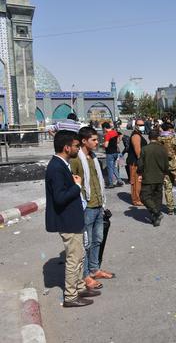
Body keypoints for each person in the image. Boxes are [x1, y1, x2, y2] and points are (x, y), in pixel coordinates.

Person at [45, 130, 100, 307]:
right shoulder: (55, 167)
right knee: (73, 259)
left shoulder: (63, 164)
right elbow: (60, 197)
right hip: (67, 220)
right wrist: (76, 186)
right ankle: (70, 297)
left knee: (80, 256)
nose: (78, 148)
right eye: (76, 146)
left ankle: (79, 286)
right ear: (66, 147)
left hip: (74, 219)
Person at [70, 126, 115, 291]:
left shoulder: (94, 157)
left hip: (98, 204)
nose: (98, 142)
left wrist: (103, 202)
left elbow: (98, 180)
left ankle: (95, 269)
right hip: (86, 206)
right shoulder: (76, 159)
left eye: (97, 139)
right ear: (84, 141)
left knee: (97, 239)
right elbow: (71, 181)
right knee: (86, 244)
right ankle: (86, 275)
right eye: (94, 140)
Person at [138, 129, 170, 227]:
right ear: (158, 137)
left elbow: (140, 164)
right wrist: (165, 172)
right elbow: (166, 164)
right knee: (157, 197)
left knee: (144, 196)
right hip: (160, 176)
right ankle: (156, 217)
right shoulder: (163, 149)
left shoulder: (145, 149)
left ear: (149, 137)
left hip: (148, 177)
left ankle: (156, 213)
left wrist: (139, 173)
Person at [127, 119, 147, 206]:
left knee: (139, 181)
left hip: (138, 162)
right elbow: (138, 151)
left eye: (143, 124)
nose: (142, 126)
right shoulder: (135, 136)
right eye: (140, 125)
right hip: (135, 162)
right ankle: (136, 200)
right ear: (136, 125)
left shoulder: (138, 134)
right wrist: (142, 162)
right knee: (136, 182)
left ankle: (139, 198)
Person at [102, 122, 123, 188]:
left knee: (110, 168)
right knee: (114, 167)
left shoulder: (107, 134)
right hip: (115, 152)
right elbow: (117, 141)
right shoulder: (115, 132)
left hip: (110, 153)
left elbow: (106, 145)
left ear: (105, 128)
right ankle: (119, 180)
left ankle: (111, 184)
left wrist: (102, 144)